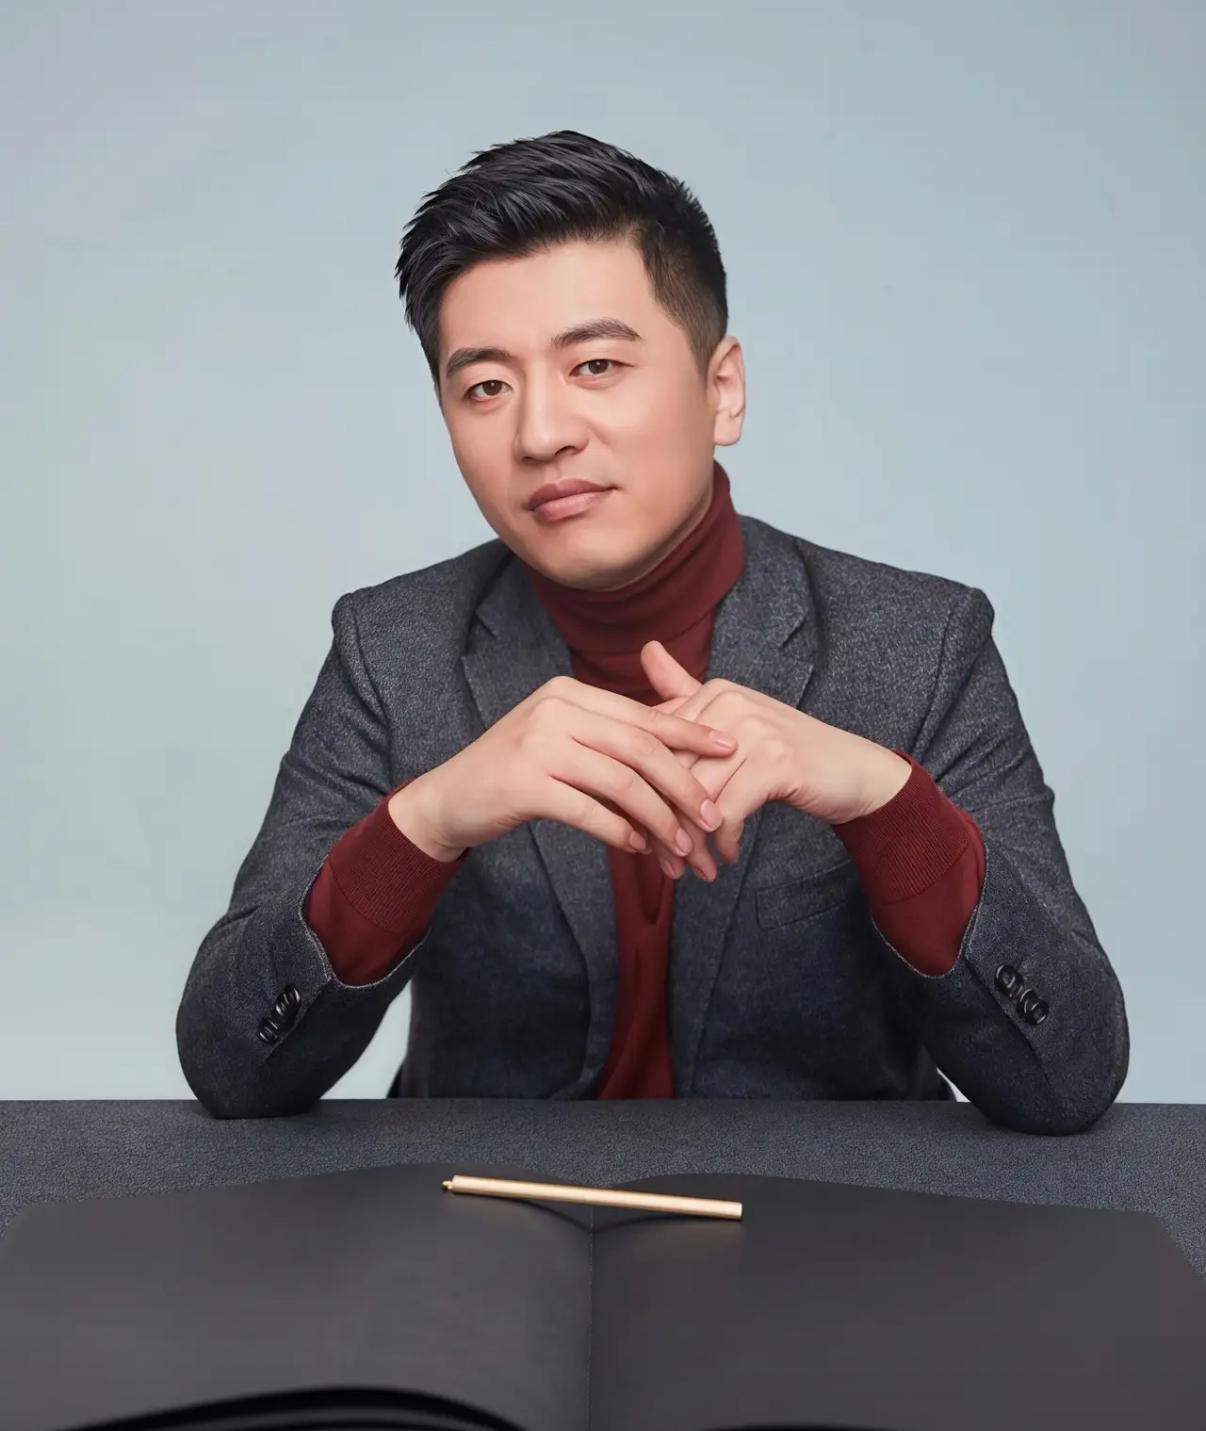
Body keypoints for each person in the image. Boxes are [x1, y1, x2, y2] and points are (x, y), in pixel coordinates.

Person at [177, 129, 1128, 1132]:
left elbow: (1066, 1076)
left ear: (723, 391)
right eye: (486, 386)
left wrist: (887, 803)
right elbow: (234, 1066)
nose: (541, 434)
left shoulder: (921, 645)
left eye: (595, 364)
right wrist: (428, 821)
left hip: (821, 1211)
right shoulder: (391, 650)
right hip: (481, 1206)